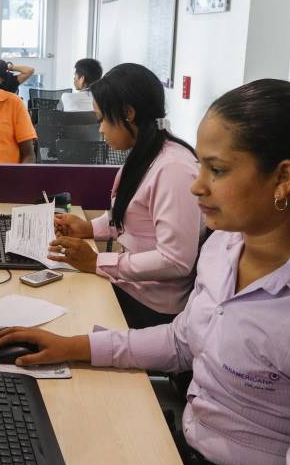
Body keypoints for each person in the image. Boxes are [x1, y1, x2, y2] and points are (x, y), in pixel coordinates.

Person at [0, 79, 290, 465]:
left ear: (283, 179)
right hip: (184, 440)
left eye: (216, 170)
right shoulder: (224, 246)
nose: (197, 186)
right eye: (202, 166)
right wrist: (74, 347)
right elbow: (183, 342)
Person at [49, 63, 201, 328]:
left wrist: (99, 261)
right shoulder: (146, 154)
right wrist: (87, 228)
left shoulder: (174, 169)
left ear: (128, 113)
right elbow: (135, 218)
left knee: (67, 315)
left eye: (102, 119)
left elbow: (176, 261)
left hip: (151, 307)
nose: (100, 129)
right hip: (131, 286)